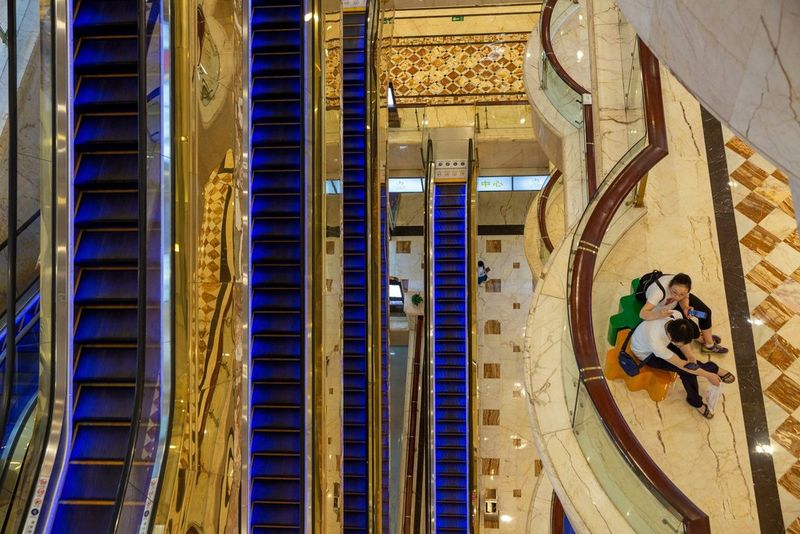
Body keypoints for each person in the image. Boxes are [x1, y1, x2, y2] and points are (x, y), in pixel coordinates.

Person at [630, 311, 735, 418]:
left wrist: (690, 356)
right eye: (679, 344)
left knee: (690, 365)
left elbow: (684, 345)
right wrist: (709, 375)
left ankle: (697, 398)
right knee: (686, 371)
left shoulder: (676, 316)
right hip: (647, 355)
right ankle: (711, 372)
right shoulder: (656, 342)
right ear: (671, 339)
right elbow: (682, 365)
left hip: (657, 341)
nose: (681, 345)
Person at [639, 272, 728, 354]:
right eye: (674, 292)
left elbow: (684, 298)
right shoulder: (658, 292)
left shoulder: (682, 287)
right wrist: (659, 314)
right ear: (669, 285)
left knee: (704, 313)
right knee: (691, 328)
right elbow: (642, 314)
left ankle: (708, 343)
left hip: (677, 305)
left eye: (682, 294)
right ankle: (702, 340)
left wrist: (685, 307)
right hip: (664, 311)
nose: (677, 297)